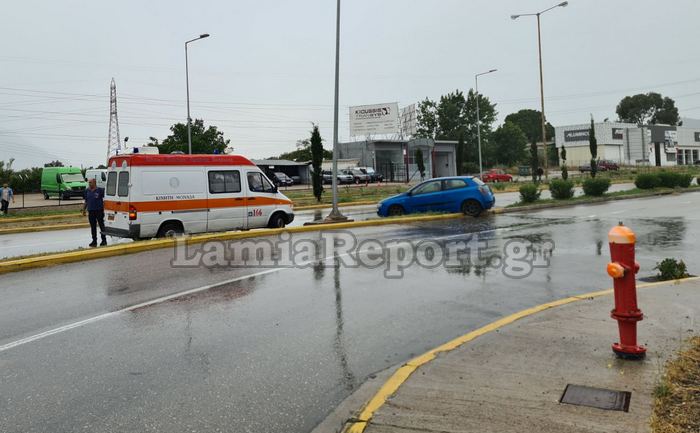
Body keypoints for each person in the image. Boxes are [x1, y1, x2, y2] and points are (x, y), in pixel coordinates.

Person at [82, 178, 107, 247]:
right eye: (89, 182)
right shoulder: (87, 191)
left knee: (101, 225)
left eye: (90, 182)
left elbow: (105, 199)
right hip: (91, 211)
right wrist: (84, 210)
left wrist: (105, 208)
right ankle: (94, 241)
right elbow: (86, 201)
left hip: (99, 210)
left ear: (94, 183)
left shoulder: (100, 190)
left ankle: (104, 240)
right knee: (93, 226)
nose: (89, 184)